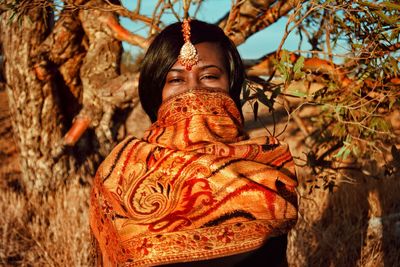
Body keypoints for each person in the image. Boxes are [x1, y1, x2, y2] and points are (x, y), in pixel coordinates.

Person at [90, 19, 298, 267]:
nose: (193, 92)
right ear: (156, 90)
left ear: (231, 86)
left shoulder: (266, 166)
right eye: (176, 80)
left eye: (210, 76)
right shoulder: (118, 175)